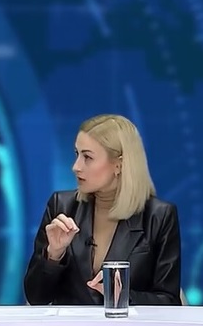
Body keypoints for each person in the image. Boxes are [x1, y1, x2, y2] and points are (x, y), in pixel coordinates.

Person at [24, 114, 181, 305]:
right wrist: (53, 255)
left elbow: (169, 301)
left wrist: (123, 296)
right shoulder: (61, 206)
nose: (76, 167)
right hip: (70, 324)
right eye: (76, 154)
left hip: (126, 325)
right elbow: (36, 298)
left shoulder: (159, 216)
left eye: (87, 157)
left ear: (119, 165)